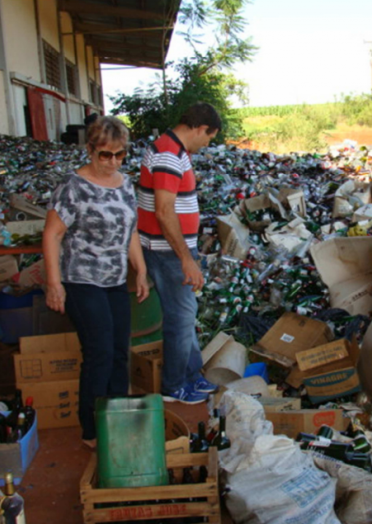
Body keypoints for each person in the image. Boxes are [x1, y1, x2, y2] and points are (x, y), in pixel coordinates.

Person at [43, 116, 149, 450]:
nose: (113, 162)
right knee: (99, 352)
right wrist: (54, 283)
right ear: (90, 150)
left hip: (115, 280)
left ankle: (117, 415)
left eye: (120, 155)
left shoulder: (125, 184)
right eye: (105, 155)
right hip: (81, 280)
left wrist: (141, 270)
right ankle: (90, 428)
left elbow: (129, 230)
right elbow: (52, 234)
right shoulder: (73, 187)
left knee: (119, 351)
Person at [137, 102, 222, 403]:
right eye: (209, 137)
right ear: (200, 128)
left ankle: (191, 375)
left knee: (186, 313)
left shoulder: (172, 149)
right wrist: (186, 258)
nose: (207, 143)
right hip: (169, 252)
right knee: (180, 317)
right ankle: (174, 387)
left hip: (173, 249)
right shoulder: (169, 154)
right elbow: (163, 211)